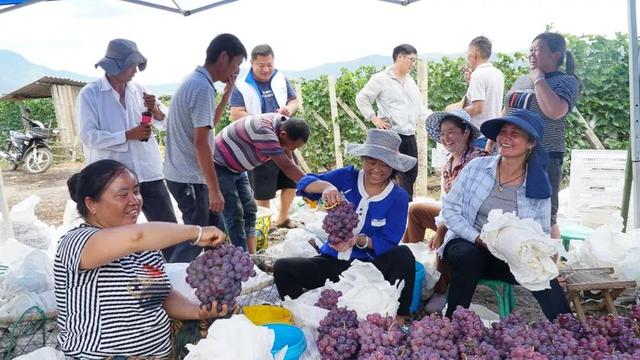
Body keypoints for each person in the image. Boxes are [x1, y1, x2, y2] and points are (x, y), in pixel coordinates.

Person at [55, 159, 231, 359]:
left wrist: (200, 311)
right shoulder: (77, 242)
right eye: (122, 195)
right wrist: (196, 232)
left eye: (136, 191)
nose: (134, 201)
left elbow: (162, 295)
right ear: (92, 204)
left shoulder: (146, 248)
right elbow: (135, 237)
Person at [273, 129, 417, 323]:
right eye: (371, 162)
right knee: (283, 268)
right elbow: (304, 184)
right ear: (363, 159)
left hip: (369, 269)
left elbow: (390, 241)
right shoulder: (346, 177)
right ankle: (303, 319)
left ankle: (399, 319)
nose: (376, 169)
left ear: (394, 167)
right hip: (333, 265)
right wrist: (326, 187)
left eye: (384, 164)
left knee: (404, 256)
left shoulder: (398, 197)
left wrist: (357, 240)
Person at [440, 109, 571, 321]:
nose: (506, 138)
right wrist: (477, 238)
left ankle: (570, 330)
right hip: (467, 243)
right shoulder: (477, 168)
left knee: (543, 276)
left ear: (531, 143)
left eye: (515, 133)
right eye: (503, 132)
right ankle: (453, 324)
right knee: (469, 256)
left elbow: (541, 232)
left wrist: (542, 261)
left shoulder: (537, 185)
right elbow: (450, 209)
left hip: (506, 256)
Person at [77, 38, 177, 230]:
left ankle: (171, 260)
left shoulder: (139, 90)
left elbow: (165, 123)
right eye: (131, 66)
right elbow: (88, 136)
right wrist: (127, 135)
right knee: (117, 233)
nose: (135, 71)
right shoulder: (90, 94)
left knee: (168, 229)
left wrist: (154, 109)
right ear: (114, 67)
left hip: (148, 172)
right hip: (112, 179)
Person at [163, 33, 246, 262]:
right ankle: (167, 285)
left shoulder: (195, 81)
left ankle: (222, 278)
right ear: (223, 57)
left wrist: (226, 95)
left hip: (185, 174)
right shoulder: (201, 88)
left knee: (215, 233)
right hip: (190, 177)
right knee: (196, 236)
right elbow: (201, 144)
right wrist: (214, 189)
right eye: (236, 63)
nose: (236, 71)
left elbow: (207, 127)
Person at [403, 108, 488, 313]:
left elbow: (470, 209)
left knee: (447, 236)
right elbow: (446, 201)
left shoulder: (478, 161)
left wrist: (441, 229)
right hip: (452, 214)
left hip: (474, 222)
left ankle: (442, 289)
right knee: (416, 210)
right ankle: (411, 268)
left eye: (451, 132)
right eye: (442, 133)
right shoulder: (449, 163)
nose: (445, 138)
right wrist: (442, 222)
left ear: (466, 132)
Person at [503, 32, 580, 239]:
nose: (532, 54)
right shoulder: (520, 80)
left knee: (545, 213)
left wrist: (538, 79)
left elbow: (554, 111)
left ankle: (550, 267)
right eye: (531, 49)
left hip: (544, 156)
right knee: (510, 208)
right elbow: (506, 113)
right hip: (509, 155)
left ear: (556, 55)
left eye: (537, 49)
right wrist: (492, 143)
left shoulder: (567, 81)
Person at [213, 113, 310, 253]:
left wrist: (308, 185)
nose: (293, 149)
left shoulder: (287, 125)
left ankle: (251, 258)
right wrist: (310, 187)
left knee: (250, 211)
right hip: (220, 166)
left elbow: (289, 158)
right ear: (282, 134)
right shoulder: (264, 131)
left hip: (239, 168)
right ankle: (241, 259)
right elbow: (287, 167)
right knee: (234, 215)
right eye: (293, 146)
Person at [229, 44, 300, 229]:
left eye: (269, 64)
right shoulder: (242, 85)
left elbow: (294, 101)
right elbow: (236, 114)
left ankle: (283, 218)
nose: (266, 69)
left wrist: (288, 110)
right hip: (259, 144)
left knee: (290, 181)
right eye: (261, 65)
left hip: (284, 140)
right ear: (252, 63)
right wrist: (263, 121)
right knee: (263, 189)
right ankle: (265, 226)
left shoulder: (280, 78)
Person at [355, 44, 431, 200]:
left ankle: (405, 209)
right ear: (400, 57)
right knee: (391, 175)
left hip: (409, 134)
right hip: (390, 135)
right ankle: (387, 208)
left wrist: (436, 119)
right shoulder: (381, 79)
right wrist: (374, 119)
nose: (413, 64)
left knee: (410, 174)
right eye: (411, 59)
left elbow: (419, 108)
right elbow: (361, 98)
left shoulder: (410, 82)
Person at [459, 36, 505, 150]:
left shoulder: (478, 75)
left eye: (468, 54)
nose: (468, 58)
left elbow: (478, 108)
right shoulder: (498, 73)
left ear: (475, 53)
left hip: (479, 136)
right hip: (493, 136)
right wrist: (471, 82)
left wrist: (457, 112)